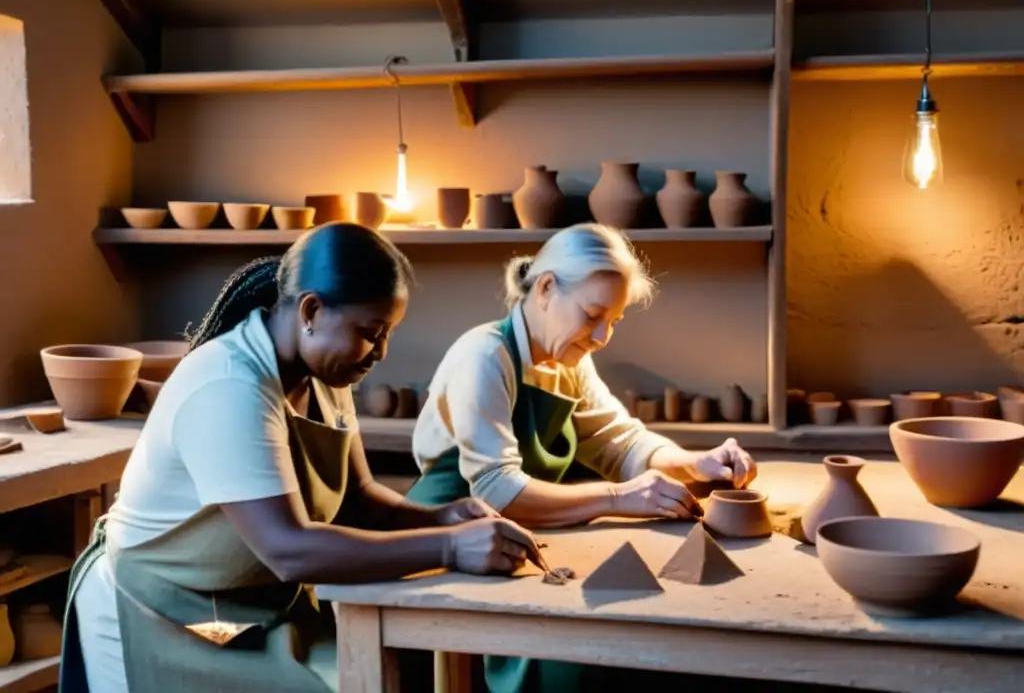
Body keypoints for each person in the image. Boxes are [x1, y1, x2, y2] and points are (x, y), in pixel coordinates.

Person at [59, 222, 540, 693]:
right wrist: (451, 547)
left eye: (387, 333)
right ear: (310, 310)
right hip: (159, 611)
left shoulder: (326, 376)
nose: (380, 352)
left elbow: (361, 499)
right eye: (370, 332)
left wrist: (443, 518)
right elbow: (288, 549)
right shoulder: (230, 384)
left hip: (248, 607)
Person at [407, 222, 758, 693]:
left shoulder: (568, 363)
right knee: (568, 664)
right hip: (448, 544)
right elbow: (498, 491)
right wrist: (616, 497)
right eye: (593, 315)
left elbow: (621, 444)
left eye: (614, 321)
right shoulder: (485, 355)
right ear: (547, 288)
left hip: (523, 533)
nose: (602, 336)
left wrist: (696, 464)